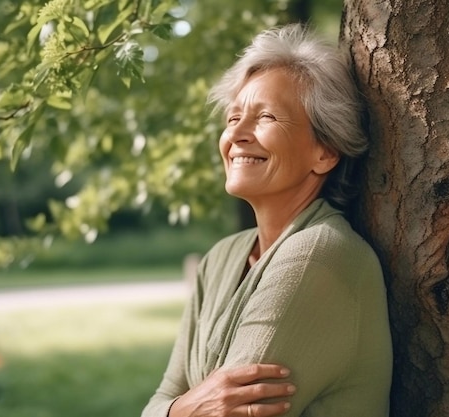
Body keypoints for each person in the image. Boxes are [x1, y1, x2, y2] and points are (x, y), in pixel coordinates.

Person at [141, 23, 392, 417]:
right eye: (231, 118)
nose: (237, 134)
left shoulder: (321, 256)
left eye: (267, 117)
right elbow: (162, 398)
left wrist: (177, 409)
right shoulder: (221, 259)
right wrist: (182, 410)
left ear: (325, 151)